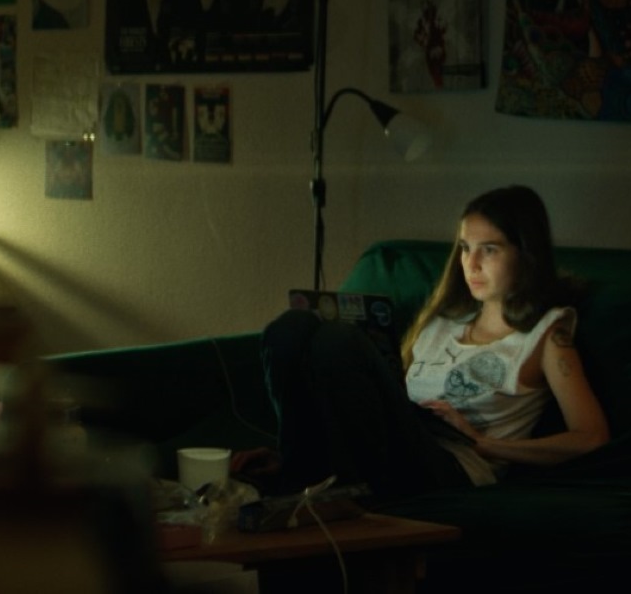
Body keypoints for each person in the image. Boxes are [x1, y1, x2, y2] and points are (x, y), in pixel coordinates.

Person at [261, 185, 611, 502]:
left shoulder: (547, 334)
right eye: (464, 248)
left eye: (489, 250)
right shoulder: (442, 323)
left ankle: (318, 480)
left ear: (525, 253)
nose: (470, 265)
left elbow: (591, 436)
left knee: (338, 340)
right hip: (392, 441)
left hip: (454, 465)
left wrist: (484, 443)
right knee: (291, 328)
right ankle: (297, 468)